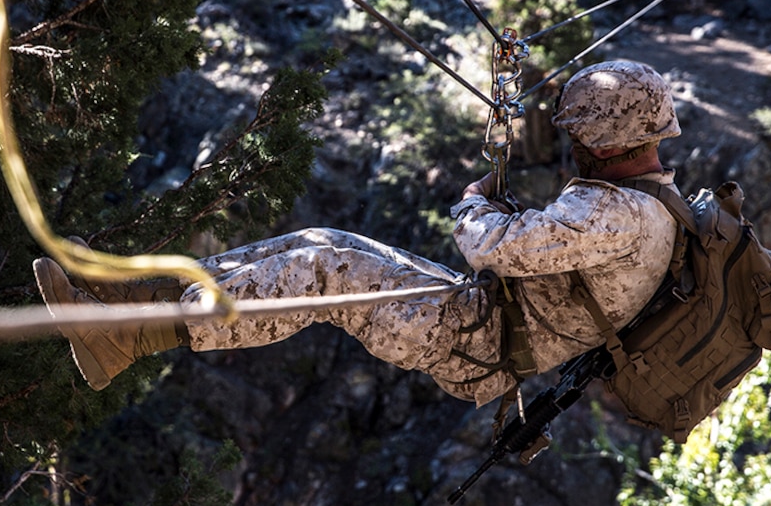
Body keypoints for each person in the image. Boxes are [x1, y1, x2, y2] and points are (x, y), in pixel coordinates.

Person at [34, 60, 682, 405]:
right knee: (318, 243)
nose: (571, 148)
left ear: (606, 136)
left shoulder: (620, 213)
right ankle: (130, 300)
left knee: (322, 274)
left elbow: (489, 245)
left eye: (577, 135)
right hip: (481, 316)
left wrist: (472, 204)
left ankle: (127, 338)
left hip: (476, 338)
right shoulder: (652, 203)